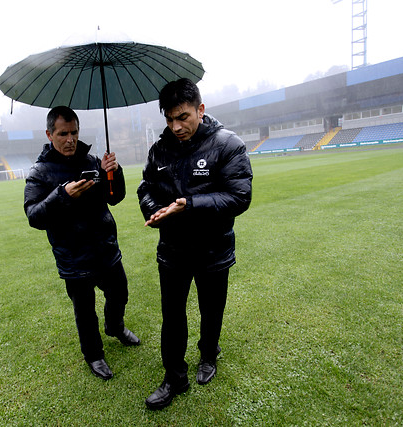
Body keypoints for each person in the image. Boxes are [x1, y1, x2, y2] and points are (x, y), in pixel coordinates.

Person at [137, 78, 253, 409]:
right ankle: (174, 377)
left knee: (211, 309)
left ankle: (208, 353)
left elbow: (240, 196)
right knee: (172, 316)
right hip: (172, 250)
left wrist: (190, 204)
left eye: (183, 117)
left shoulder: (228, 144)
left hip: (213, 249)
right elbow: (146, 187)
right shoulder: (159, 149)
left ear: (200, 110)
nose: (176, 126)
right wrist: (154, 209)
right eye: (169, 119)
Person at [24, 105, 140, 381]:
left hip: (106, 248)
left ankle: (115, 327)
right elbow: (34, 216)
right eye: (63, 133)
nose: (70, 139)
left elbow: (115, 197)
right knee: (85, 311)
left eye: (74, 132)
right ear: (49, 134)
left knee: (119, 293)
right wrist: (62, 195)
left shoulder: (92, 161)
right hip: (73, 257)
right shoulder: (40, 172)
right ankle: (94, 355)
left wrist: (114, 172)